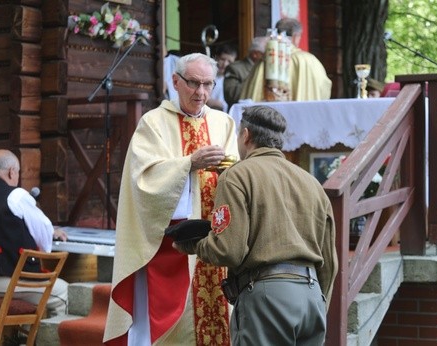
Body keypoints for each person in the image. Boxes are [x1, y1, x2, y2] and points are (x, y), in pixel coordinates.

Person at [103, 53, 239, 345]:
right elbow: (143, 181)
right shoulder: (152, 124)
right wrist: (188, 164)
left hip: (216, 240)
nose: (200, 92)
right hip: (171, 247)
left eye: (207, 85)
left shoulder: (224, 123)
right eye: (193, 83)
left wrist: (227, 170)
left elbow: (236, 172)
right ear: (175, 82)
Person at [174, 105, 338, 345]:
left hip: (267, 298)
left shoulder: (237, 175)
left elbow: (228, 250)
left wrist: (195, 245)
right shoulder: (312, 183)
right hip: (312, 298)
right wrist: (319, 303)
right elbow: (329, 261)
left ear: (246, 135)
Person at [0, 149, 68, 317]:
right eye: (17, 173)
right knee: (64, 293)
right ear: (11, 172)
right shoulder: (15, 196)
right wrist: (52, 231)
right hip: (2, 281)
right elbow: (44, 234)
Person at [240, 18, 332, 101]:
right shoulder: (310, 60)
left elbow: (252, 92)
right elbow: (324, 87)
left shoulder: (266, 59)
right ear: (296, 36)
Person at [223, 36, 268, 110]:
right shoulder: (235, 68)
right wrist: (255, 81)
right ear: (255, 54)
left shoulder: (266, 70)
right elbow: (231, 96)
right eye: (265, 54)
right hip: (242, 113)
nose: (267, 58)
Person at [207, 43, 237, 112]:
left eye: (229, 61)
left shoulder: (232, 80)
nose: (225, 64)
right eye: (222, 59)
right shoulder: (207, 76)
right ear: (216, 58)